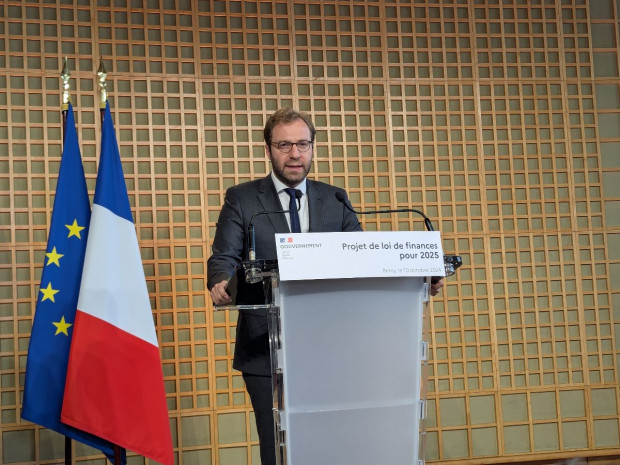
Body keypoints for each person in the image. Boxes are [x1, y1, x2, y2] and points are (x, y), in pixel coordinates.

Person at [207, 108, 444, 465]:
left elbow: (365, 259)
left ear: (313, 147)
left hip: (333, 347)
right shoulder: (243, 199)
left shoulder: (334, 198)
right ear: (268, 150)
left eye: (303, 144)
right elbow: (223, 256)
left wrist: (420, 279)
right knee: (277, 443)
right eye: (284, 145)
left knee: (336, 439)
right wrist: (220, 281)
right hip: (266, 345)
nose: (295, 154)